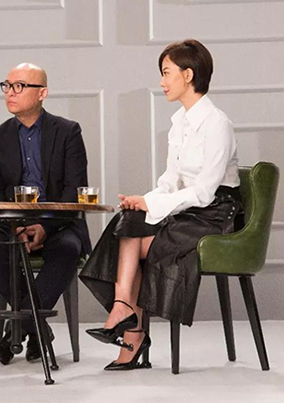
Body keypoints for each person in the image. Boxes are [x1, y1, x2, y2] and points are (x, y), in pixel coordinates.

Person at [80, 39, 242, 371]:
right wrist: (145, 200)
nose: (162, 81)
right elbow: (170, 179)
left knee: (135, 238)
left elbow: (205, 192)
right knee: (129, 219)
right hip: (188, 209)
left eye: (167, 73)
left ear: (188, 74)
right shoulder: (179, 121)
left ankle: (130, 328)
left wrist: (155, 204)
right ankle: (123, 309)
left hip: (216, 214)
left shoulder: (217, 124)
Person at [0, 63, 91, 364]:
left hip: (58, 224)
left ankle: (19, 326)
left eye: (19, 86)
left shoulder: (67, 132)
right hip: (8, 225)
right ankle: (38, 328)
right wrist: (15, 227)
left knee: (68, 248)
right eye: (7, 85)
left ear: (42, 93)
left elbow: (74, 190)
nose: (10, 93)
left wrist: (45, 227)